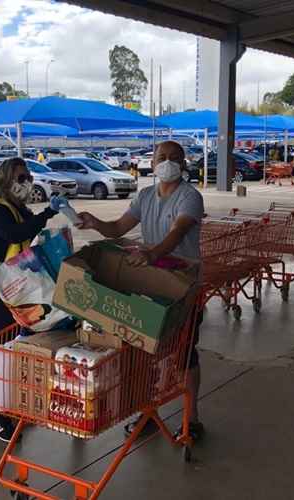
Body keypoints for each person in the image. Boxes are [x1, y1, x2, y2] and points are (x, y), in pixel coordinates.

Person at [76, 140, 206, 441]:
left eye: (175, 157)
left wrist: (152, 253)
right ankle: (147, 412)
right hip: (150, 285)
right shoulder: (145, 196)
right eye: (162, 157)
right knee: (144, 353)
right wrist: (95, 223)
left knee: (185, 354)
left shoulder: (190, 197)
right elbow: (118, 228)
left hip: (183, 287)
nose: (168, 162)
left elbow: (178, 233)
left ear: (184, 163)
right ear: (152, 160)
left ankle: (193, 418)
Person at [0, 157, 65, 442]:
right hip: (0, 296)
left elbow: (33, 231)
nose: (27, 182)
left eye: (28, 176)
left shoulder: (20, 209)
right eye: (21, 178)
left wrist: (49, 217)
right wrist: (46, 215)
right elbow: (16, 234)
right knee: (0, 359)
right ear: (5, 181)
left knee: (17, 356)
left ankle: (11, 409)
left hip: (21, 294)